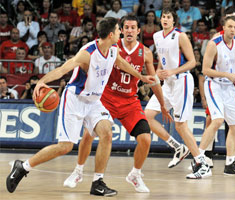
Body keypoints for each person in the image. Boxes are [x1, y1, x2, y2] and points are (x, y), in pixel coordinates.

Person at [6, 17, 155, 196]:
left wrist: (142, 77)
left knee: (107, 133)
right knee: (65, 146)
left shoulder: (114, 49)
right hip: (76, 99)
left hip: (94, 101)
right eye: (118, 30)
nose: (121, 33)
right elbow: (63, 69)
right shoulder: (88, 53)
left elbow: (121, 63)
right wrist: (41, 82)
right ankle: (23, 166)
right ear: (110, 34)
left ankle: (97, 182)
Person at [63, 15, 171, 193]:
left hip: (130, 102)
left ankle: (135, 174)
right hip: (106, 99)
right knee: (89, 135)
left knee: (145, 138)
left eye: (132, 28)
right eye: (126, 27)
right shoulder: (112, 45)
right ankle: (78, 171)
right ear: (120, 31)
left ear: (138, 31)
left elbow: (153, 81)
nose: (129, 31)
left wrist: (162, 105)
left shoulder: (146, 53)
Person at [144, 8, 206, 179]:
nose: (165, 19)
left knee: (180, 125)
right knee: (147, 116)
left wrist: (172, 71)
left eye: (168, 17)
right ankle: (178, 147)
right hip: (167, 83)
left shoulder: (181, 36)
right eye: (163, 16)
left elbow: (193, 62)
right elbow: (161, 62)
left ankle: (202, 163)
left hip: (182, 81)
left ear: (174, 20)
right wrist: (156, 76)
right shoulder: (157, 36)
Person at [194, 15, 235, 177]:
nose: (232, 30)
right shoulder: (213, 44)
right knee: (216, 120)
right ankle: (198, 159)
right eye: (229, 26)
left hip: (229, 87)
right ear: (223, 27)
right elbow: (205, 70)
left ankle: (230, 164)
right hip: (214, 85)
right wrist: (228, 75)